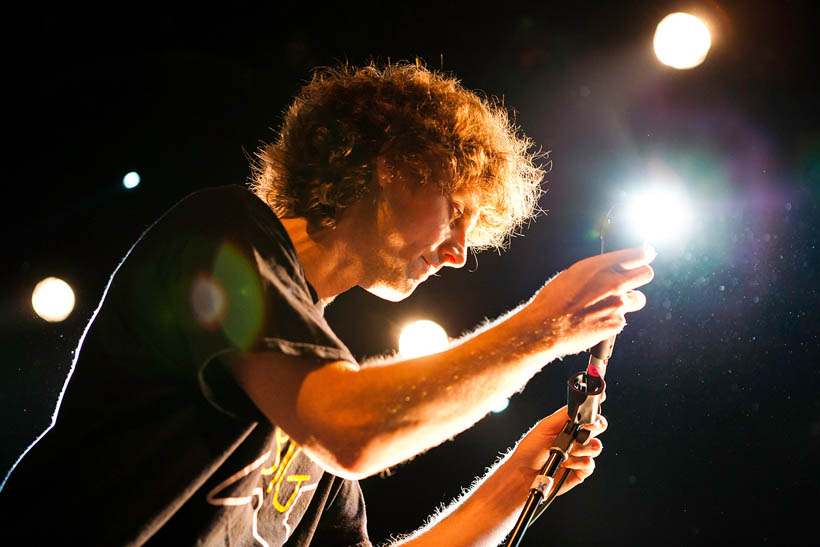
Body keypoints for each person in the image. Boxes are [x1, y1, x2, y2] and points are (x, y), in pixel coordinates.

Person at [0, 62, 654, 545]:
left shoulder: (320, 388)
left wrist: (515, 481)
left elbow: (346, 427)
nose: (458, 252)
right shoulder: (221, 232)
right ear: (391, 161)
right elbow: (352, 430)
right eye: (456, 213)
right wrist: (541, 329)